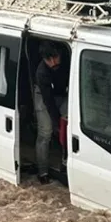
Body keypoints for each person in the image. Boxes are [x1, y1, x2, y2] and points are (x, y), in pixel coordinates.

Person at [33, 42, 68, 184]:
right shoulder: (42, 73)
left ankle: (66, 165)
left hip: (63, 93)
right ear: (44, 59)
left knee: (69, 129)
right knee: (45, 133)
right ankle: (43, 172)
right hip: (44, 95)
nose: (53, 62)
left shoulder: (67, 60)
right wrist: (56, 122)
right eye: (49, 59)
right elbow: (49, 102)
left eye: (55, 57)